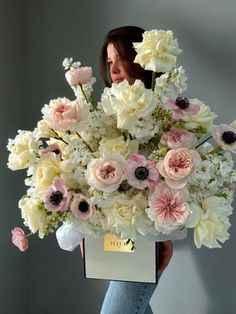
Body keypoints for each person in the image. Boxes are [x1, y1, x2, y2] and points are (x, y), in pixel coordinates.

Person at [81, 26, 174, 314]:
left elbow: (174, 182)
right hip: (112, 239)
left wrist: (165, 235)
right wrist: (84, 228)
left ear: (140, 59)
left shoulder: (165, 111)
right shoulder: (104, 115)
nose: (115, 70)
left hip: (145, 238)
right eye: (110, 63)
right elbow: (86, 179)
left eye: (121, 59)